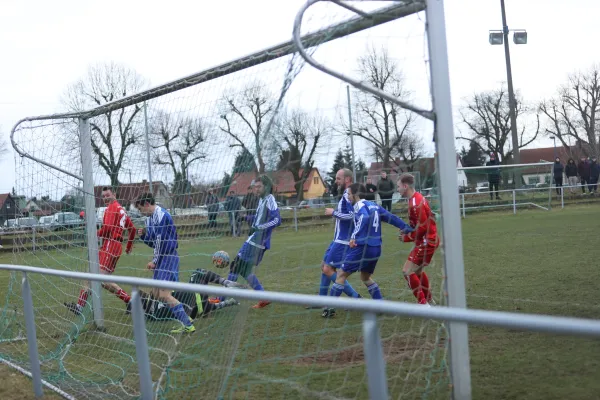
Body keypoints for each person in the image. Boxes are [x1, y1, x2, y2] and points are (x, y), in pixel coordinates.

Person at [322, 183, 413, 318]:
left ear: (356, 195)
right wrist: (406, 227)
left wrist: (354, 236)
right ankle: (380, 305)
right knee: (365, 277)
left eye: (349, 194)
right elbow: (391, 217)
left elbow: (363, 217)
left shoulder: (360, 206)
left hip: (362, 247)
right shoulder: (374, 206)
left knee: (341, 275)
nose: (348, 196)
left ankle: (330, 308)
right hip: (376, 248)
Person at [64, 187, 136, 316]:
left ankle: (129, 300)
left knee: (100, 278)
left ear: (114, 194)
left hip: (111, 245)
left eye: (108, 195)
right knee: (91, 274)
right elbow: (133, 229)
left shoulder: (111, 208)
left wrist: (95, 233)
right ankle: (80, 306)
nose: (105, 198)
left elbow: (107, 228)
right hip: (113, 246)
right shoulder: (121, 209)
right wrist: (128, 246)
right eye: (103, 196)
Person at [135, 192, 195, 334]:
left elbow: (161, 242)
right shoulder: (149, 220)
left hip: (168, 257)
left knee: (163, 294)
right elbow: (153, 243)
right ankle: (186, 318)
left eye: (140, 209)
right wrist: (143, 236)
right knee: (157, 293)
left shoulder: (162, 215)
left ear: (147, 204)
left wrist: (155, 261)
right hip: (161, 258)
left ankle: (187, 324)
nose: (140, 212)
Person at [218, 175, 281, 309]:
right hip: (254, 240)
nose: (256, 190)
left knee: (235, 266)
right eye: (254, 187)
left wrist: (259, 228)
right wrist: (245, 217)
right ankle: (263, 297)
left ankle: (220, 298)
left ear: (267, 187)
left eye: (259, 187)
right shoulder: (262, 200)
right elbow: (259, 219)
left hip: (257, 241)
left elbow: (277, 220)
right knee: (245, 271)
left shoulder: (270, 199)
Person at [307, 168, 361, 309]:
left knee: (327, 268)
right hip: (337, 239)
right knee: (324, 265)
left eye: (338, 178)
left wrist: (334, 212)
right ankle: (322, 300)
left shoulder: (348, 194)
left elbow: (352, 215)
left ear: (347, 179)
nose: (336, 181)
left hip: (343, 241)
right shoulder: (346, 193)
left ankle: (356, 298)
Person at [131, 267, 245, 321]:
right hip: (194, 299)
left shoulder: (152, 316)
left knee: (203, 305)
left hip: (194, 311)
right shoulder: (160, 297)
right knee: (197, 273)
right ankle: (226, 283)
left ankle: (230, 302)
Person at [397, 173, 439, 306]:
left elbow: (423, 228)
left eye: (398, 187)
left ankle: (423, 305)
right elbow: (420, 224)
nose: (397, 190)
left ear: (405, 186)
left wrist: (407, 237)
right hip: (429, 240)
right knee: (418, 271)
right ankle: (430, 300)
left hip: (426, 242)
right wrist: (408, 229)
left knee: (407, 271)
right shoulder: (415, 198)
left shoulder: (415, 203)